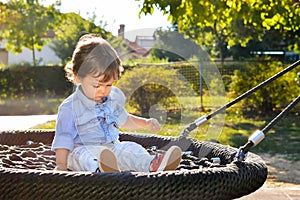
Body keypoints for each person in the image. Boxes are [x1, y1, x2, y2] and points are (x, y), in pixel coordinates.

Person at [51, 33, 182, 173]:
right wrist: (61, 165)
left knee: (132, 148)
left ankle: (152, 164)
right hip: (84, 149)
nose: (103, 91)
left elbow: (125, 119)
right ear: (78, 77)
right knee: (82, 157)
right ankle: (100, 169)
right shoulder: (69, 108)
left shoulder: (112, 100)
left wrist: (145, 122)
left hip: (111, 149)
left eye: (108, 85)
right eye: (96, 86)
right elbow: (63, 138)